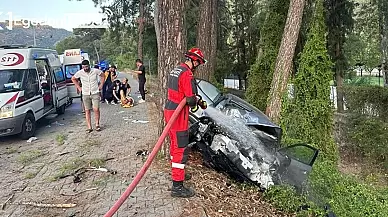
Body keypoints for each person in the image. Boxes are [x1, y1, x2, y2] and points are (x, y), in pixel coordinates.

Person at [164, 48, 208, 198]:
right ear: (194, 61)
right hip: (178, 114)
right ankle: (177, 186)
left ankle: (177, 174)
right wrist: (198, 101)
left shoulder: (176, 70)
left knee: (174, 144)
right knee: (181, 148)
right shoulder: (187, 74)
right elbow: (189, 99)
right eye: (198, 63)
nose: (198, 66)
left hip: (169, 110)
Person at [71, 60, 105, 133]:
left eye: (86, 67)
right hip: (85, 93)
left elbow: (102, 75)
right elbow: (73, 78)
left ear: (89, 65)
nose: (85, 68)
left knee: (96, 109)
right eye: (83, 67)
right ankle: (89, 127)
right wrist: (79, 88)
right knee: (87, 110)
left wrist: (101, 84)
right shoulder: (80, 72)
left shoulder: (95, 71)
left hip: (95, 92)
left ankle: (97, 124)